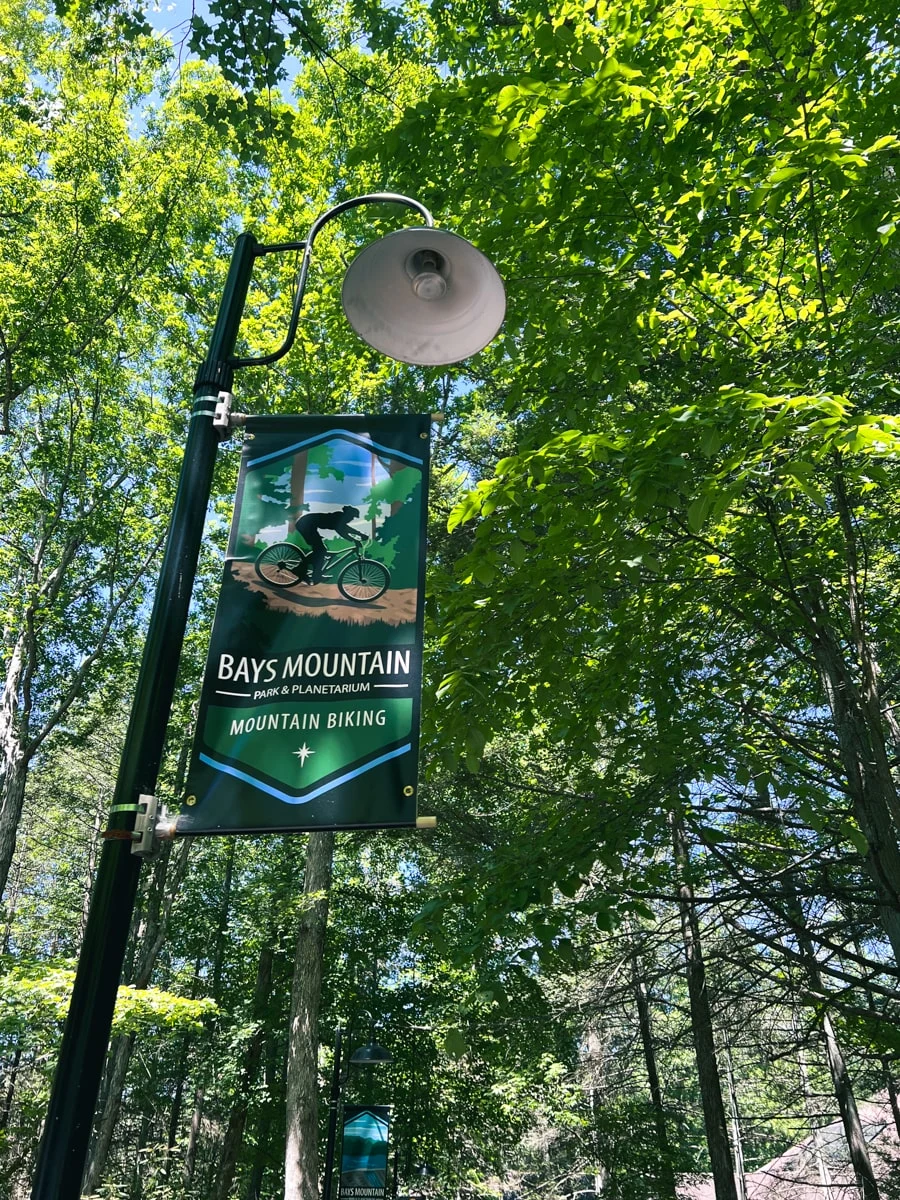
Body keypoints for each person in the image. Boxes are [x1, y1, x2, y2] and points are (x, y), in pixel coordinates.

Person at [294, 505, 365, 583]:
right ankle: (304, 571)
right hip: (305, 524)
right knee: (321, 551)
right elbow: (342, 531)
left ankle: (313, 574)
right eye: (352, 517)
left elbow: (345, 528)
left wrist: (360, 534)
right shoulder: (339, 517)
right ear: (348, 514)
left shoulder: (340, 517)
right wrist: (355, 539)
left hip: (308, 525)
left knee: (320, 551)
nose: (352, 519)